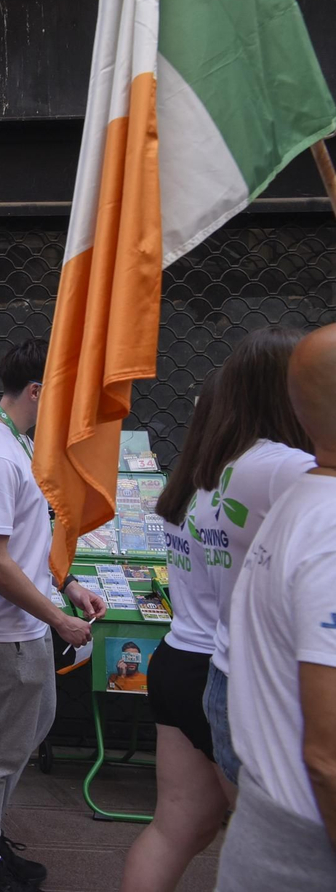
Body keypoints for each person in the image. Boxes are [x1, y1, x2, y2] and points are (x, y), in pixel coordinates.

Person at [121, 329, 313, 892]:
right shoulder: (284, 468)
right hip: (228, 670)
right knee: (264, 846)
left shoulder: (204, 475)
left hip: (180, 658)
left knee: (177, 827)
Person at [0, 338, 104, 892]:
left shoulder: (17, 444)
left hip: (26, 625)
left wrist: (68, 583)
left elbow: (23, 540)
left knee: (27, 732)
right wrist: (59, 618)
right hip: (4, 631)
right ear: (38, 390)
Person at [214, 322, 336, 891]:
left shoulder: (297, 490)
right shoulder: (308, 498)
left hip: (270, 812)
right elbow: (328, 755)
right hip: (304, 837)